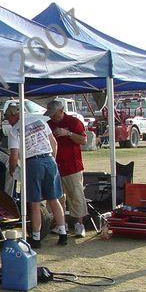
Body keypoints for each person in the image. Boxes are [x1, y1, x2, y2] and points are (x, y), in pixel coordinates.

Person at [6, 103, 67, 248]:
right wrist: (52, 159)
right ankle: (63, 233)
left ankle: (36, 237)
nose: (8, 120)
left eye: (8, 117)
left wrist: (12, 169)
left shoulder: (14, 131)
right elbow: (54, 144)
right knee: (54, 199)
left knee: (34, 203)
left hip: (32, 162)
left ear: (15, 115)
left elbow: (14, 156)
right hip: (49, 160)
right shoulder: (40, 121)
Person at [45, 100, 88, 238]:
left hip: (73, 167)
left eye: (54, 114)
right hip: (55, 166)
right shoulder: (49, 125)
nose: (52, 117)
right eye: (50, 115)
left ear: (61, 111)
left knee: (76, 195)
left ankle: (79, 225)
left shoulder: (74, 122)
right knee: (57, 197)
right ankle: (61, 224)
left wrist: (67, 133)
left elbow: (83, 140)